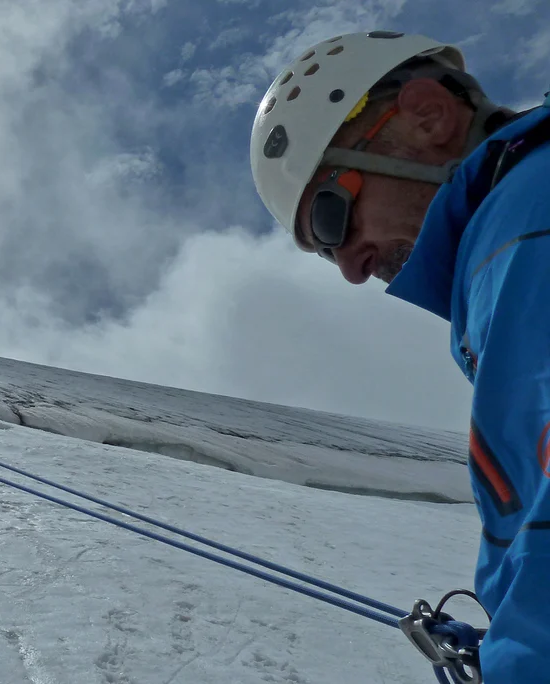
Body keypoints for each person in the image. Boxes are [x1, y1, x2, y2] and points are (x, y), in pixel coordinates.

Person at [249, 30, 550, 682]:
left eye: (333, 217)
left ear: (426, 116)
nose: (352, 269)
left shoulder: (520, 232)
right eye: (325, 253)